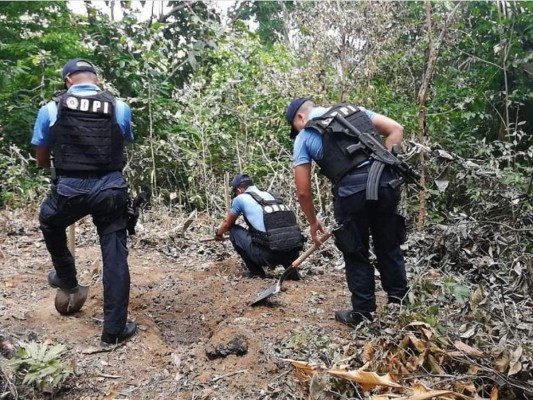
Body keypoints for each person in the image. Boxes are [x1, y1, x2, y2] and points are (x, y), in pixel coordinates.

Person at [32, 58, 136, 345]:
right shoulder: (119, 106)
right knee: (114, 255)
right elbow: (124, 138)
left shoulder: (51, 108)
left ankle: (67, 280)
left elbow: (42, 158)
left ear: (68, 81)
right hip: (111, 190)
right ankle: (113, 332)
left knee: (49, 221)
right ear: (97, 79)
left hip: (69, 189)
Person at [286, 98, 409, 328]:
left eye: (296, 127)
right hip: (384, 183)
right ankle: (399, 303)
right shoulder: (355, 111)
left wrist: (313, 223)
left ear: (300, 118)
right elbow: (396, 129)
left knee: (355, 250)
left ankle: (363, 314)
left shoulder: (304, 136)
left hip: (351, 193)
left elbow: (303, 192)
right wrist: (389, 167)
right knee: (388, 244)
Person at [215, 174, 304, 279]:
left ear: (239, 190)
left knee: (234, 230)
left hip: (269, 255)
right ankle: (291, 271)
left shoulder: (240, 198)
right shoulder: (272, 196)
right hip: (293, 254)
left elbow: (226, 224)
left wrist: (218, 234)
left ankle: (256, 272)